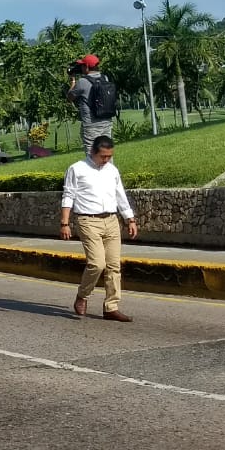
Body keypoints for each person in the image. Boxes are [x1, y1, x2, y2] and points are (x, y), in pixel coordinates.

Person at [61, 135, 137, 322]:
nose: (106, 160)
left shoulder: (112, 170)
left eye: (109, 156)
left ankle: (111, 307)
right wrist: (65, 223)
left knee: (114, 266)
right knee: (97, 264)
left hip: (111, 220)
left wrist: (130, 219)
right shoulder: (77, 169)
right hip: (88, 220)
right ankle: (83, 295)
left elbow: (120, 195)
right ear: (93, 152)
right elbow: (68, 195)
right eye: (103, 156)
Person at [67, 53, 117, 154]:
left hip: (91, 125)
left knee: (92, 155)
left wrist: (72, 82)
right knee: (105, 153)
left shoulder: (82, 82)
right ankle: (109, 170)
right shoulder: (105, 78)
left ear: (86, 67)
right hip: (106, 122)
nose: (81, 68)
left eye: (82, 66)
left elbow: (70, 97)